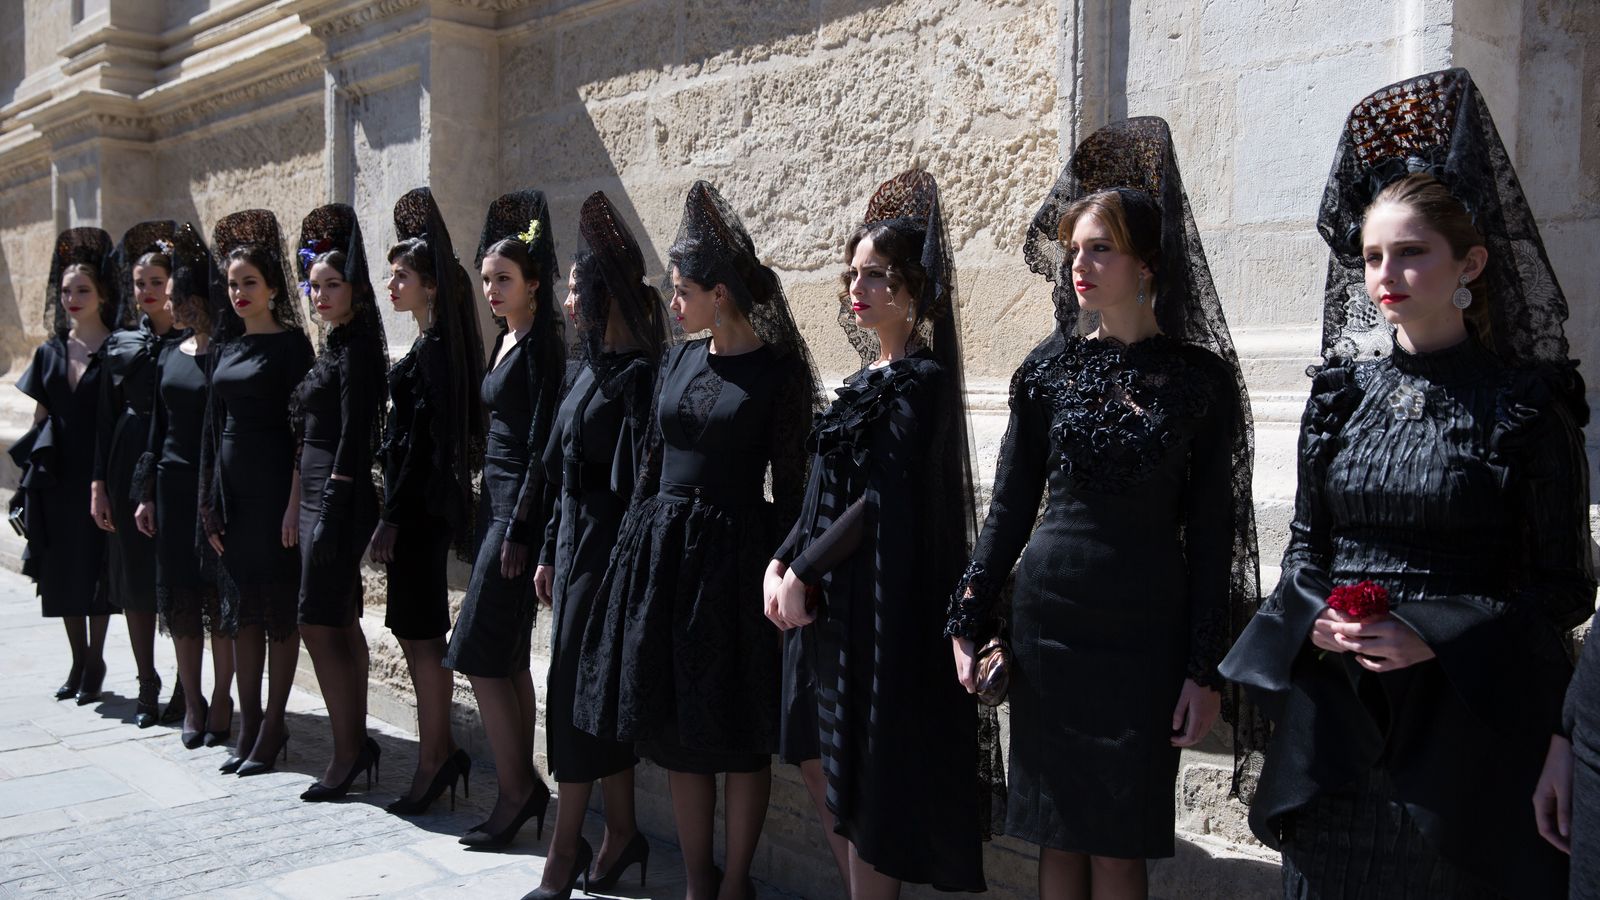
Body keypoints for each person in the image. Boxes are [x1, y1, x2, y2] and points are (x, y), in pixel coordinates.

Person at [1220, 68, 1595, 899]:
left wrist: (1437, 634)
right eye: (1373, 256)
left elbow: (1562, 588)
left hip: (1465, 733)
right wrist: (1315, 618)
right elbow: (1309, 550)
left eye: (1411, 253)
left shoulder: (1530, 408)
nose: (1386, 273)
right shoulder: (1337, 398)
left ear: (1472, 261)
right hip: (1339, 728)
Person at [945, 118, 1261, 900]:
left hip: (1144, 628)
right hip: (1052, 621)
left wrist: (1204, 668)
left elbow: (1216, 531)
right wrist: (969, 617)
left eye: (1100, 249)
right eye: (1075, 248)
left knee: (1121, 843)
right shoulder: (1043, 374)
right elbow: (1011, 507)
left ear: (1147, 264)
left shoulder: (1202, 382)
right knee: (1057, 835)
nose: (1079, 264)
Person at [575, 180, 820, 900]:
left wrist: (787, 568)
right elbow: (651, 464)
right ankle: (697, 883)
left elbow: (795, 484)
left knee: (739, 739)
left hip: (739, 562)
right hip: (664, 561)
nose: (671, 303)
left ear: (721, 293)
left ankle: (736, 881)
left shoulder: (777, 374)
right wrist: (631, 561)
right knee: (682, 737)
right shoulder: (677, 360)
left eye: (682, 290)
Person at [767, 170, 987, 897]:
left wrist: (803, 572)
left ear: (915, 288)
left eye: (877, 276)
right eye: (852, 274)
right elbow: (821, 495)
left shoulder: (919, 382)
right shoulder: (861, 381)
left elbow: (879, 502)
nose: (856, 289)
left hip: (877, 612)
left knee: (869, 781)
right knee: (818, 756)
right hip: (832, 610)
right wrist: (780, 560)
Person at [523, 191, 666, 900]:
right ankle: (621, 833)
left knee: (577, 698)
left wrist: (619, 570)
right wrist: (549, 545)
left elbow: (641, 484)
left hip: (611, 557)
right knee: (587, 695)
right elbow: (560, 473)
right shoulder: (582, 370)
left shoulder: (639, 377)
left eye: (578, 287)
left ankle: (562, 854)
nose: (569, 298)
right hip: (574, 546)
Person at [443, 190, 566, 848]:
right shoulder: (506, 338)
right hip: (495, 502)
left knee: (480, 654)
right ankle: (524, 790)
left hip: (517, 510)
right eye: (487, 279)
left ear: (535, 283)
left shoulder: (543, 346)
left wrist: (521, 528)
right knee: (506, 655)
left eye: (504, 280)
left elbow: (545, 445)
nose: (492, 289)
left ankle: (517, 789)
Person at [374, 187, 486, 815]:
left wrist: (391, 517)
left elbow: (425, 447)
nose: (392, 286)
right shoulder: (427, 346)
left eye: (402, 277)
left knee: (422, 638)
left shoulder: (437, 354)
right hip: (411, 514)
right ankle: (436, 754)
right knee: (418, 637)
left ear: (431, 287)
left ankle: (435, 757)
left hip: (416, 518)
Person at [202, 210, 316, 776]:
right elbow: (211, 429)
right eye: (232, 284)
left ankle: (274, 725)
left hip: (276, 495)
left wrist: (296, 502)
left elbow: (306, 432)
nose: (239, 293)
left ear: (273, 287)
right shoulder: (224, 347)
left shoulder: (294, 347)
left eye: (250, 282)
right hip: (234, 497)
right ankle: (247, 724)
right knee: (240, 614)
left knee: (277, 617)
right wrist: (210, 503)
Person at [291, 204, 387, 800]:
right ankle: (355, 745)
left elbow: (355, 438)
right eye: (316, 286)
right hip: (317, 495)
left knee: (315, 620)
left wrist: (329, 509)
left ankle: (347, 750)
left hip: (340, 497)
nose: (322, 295)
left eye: (333, 286)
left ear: (354, 290)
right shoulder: (332, 345)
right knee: (340, 619)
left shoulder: (356, 351)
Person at [133, 223, 235, 748]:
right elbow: (158, 426)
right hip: (171, 489)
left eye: (174, 296)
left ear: (197, 298)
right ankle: (192, 702)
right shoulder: (169, 352)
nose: (167, 304)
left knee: (217, 600)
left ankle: (222, 700)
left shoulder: (226, 354)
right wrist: (146, 492)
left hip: (213, 494)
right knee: (179, 601)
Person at [12, 228, 122, 705]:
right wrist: (26, 484)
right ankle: (78, 659)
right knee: (61, 571)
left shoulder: (120, 348)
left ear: (101, 294)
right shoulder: (49, 352)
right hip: (57, 478)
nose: (73, 299)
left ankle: (96, 659)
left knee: (97, 568)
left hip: (102, 475)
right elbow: (40, 420)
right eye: (66, 291)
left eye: (83, 290)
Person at [97, 221, 189, 728]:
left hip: (173, 463)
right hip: (124, 463)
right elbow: (103, 421)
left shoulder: (192, 341)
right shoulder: (120, 343)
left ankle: (185, 684)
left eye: (157, 281)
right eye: (140, 283)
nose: (148, 291)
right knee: (133, 581)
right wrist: (98, 487)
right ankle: (146, 681)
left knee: (174, 580)